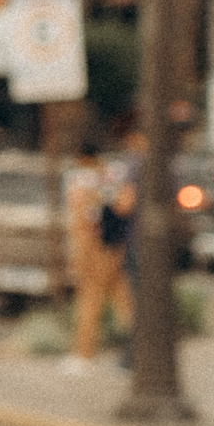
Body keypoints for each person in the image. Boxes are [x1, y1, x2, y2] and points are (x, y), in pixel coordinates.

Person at [64, 145, 132, 372]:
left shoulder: (91, 181)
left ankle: (84, 353)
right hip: (111, 246)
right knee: (121, 298)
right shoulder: (111, 176)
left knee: (91, 297)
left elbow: (85, 216)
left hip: (98, 247)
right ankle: (134, 351)